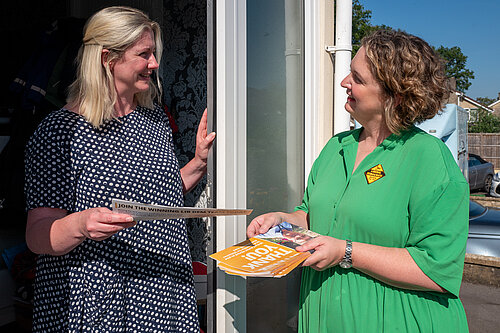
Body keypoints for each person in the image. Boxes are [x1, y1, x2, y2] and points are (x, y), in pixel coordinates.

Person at [247, 29, 469, 332]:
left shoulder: (428, 158)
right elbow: (314, 214)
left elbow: (436, 269)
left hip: (397, 321)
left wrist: (346, 252)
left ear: (395, 96)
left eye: (358, 78)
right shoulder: (337, 147)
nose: (344, 83)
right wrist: (284, 220)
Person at [24, 6, 215, 332]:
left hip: (163, 286)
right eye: (144, 54)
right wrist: (81, 224)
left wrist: (197, 163)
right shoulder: (60, 132)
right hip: (103, 298)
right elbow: (37, 235)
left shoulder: (154, 119)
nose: (154, 64)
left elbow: (156, 198)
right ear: (107, 59)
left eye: (154, 53)